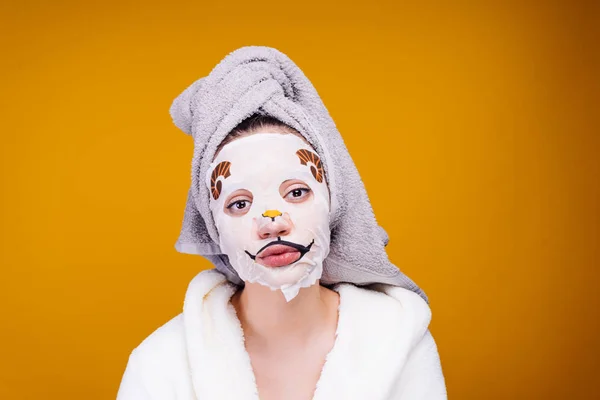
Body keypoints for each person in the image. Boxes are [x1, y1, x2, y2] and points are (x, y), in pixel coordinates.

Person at [116, 46, 447, 400]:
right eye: (239, 203)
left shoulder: (398, 340)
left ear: (332, 201)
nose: (272, 225)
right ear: (213, 227)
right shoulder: (158, 366)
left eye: (296, 192)